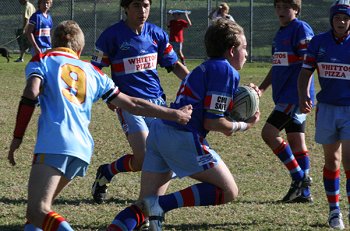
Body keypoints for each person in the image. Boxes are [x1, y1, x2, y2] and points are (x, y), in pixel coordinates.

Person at [7, 20, 192, 231]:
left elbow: (31, 93)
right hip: (82, 148)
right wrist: (174, 114)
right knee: (38, 215)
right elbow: (133, 103)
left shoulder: (43, 58)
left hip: (54, 141)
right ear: (80, 48)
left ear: (52, 41)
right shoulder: (92, 71)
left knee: (36, 210)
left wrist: (17, 137)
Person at [106, 19, 260, 231]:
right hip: (182, 136)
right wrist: (243, 125)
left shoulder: (206, 68)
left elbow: (214, 107)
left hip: (161, 132)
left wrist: (248, 96)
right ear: (232, 50)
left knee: (142, 207)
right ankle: (161, 205)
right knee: (228, 191)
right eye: (245, 48)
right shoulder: (226, 71)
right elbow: (213, 121)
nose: (247, 54)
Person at [90, 0, 190, 204]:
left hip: (157, 104)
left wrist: (194, 84)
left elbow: (174, 65)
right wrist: (108, 94)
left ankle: (107, 171)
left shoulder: (157, 34)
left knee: (154, 158)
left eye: (145, 5)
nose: (142, 10)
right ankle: (148, 205)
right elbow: (95, 70)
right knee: (145, 157)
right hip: (128, 104)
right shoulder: (111, 35)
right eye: (136, 5)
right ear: (125, 8)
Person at [298, 0, 350, 229]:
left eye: (347, 18)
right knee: (332, 161)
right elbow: (306, 72)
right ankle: (334, 211)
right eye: (338, 17)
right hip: (327, 108)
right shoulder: (318, 42)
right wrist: (303, 96)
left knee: (349, 161)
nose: (342, 21)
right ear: (331, 19)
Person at [258, 0, 315, 203]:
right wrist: (263, 88)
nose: (281, 11)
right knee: (296, 141)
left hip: (294, 96)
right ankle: (304, 193)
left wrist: (303, 94)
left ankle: (300, 178)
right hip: (284, 96)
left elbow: (310, 63)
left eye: (286, 7)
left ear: (296, 9)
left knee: (269, 133)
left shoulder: (300, 28)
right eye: (278, 6)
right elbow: (277, 65)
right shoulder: (280, 33)